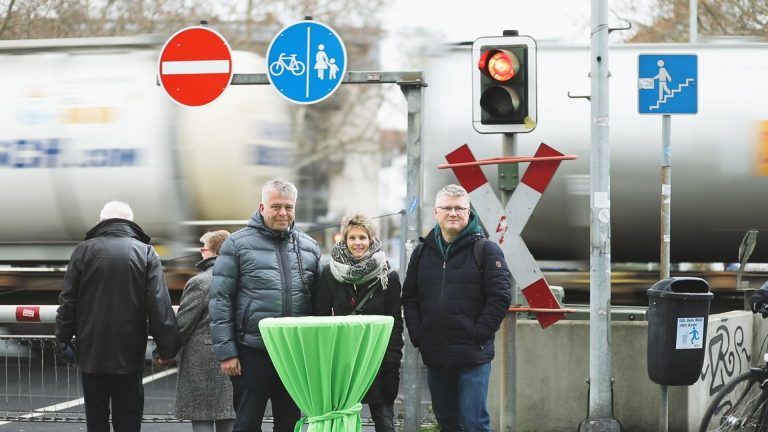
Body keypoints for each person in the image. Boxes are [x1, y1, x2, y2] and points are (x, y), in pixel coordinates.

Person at [208, 179, 321, 432]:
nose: (283, 213)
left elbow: (317, 304)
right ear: (262, 207)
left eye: (289, 207)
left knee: (290, 423)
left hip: (294, 353)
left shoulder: (309, 247)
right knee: (247, 424)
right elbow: (220, 300)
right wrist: (227, 352)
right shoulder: (237, 244)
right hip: (252, 352)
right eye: (276, 206)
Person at [55, 200, 178, 432]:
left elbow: (68, 300)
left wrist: (62, 340)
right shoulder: (145, 252)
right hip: (129, 354)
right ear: (131, 223)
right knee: (128, 417)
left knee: (96, 418)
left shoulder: (83, 250)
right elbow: (159, 305)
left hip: (91, 353)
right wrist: (167, 348)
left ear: (102, 222)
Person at [401, 184, 512, 432]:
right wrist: (420, 334)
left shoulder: (486, 250)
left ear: (469, 212)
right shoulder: (422, 253)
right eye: (447, 208)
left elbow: (500, 297)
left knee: (475, 424)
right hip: (436, 354)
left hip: (473, 355)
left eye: (459, 208)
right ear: (437, 213)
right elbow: (410, 297)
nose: (453, 213)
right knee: (448, 423)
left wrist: (477, 334)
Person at [313, 213, 403, 432]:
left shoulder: (387, 276)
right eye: (351, 238)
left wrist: (393, 364)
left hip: (376, 358)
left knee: (383, 420)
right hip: (342, 359)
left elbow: (394, 325)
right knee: (339, 419)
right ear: (344, 240)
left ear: (371, 239)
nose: (357, 243)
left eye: (362, 237)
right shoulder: (330, 273)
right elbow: (319, 318)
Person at [174, 230, 236, 432]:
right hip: (235, 354)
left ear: (211, 252)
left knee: (202, 416)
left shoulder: (200, 282)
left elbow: (183, 323)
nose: (201, 251)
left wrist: (163, 351)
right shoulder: (242, 279)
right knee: (229, 413)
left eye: (204, 247)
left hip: (202, 360)